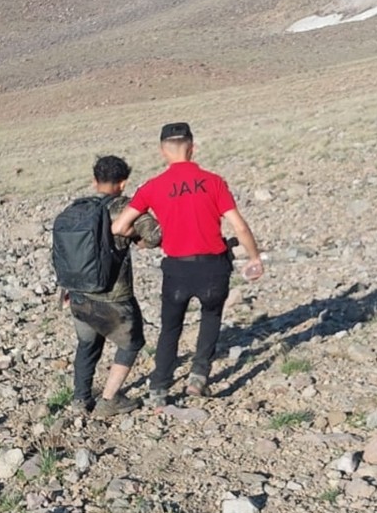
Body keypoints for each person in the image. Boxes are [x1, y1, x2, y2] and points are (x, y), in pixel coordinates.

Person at [111, 122, 263, 405]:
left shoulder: (152, 187)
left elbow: (119, 226)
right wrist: (254, 257)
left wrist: (145, 239)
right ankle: (198, 378)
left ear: (162, 152)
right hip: (213, 266)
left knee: (170, 328)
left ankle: (158, 389)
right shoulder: (214, 182)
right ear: (192, 148)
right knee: (211, 318)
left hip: (177, 269)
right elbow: (239, 226)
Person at [63, 155, 161, 418]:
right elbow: (155, 236)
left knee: (87, 344)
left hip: (79, 294)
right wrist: (130, 235)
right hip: (114, 297)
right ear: (123, 182)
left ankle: (80, 400)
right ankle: (109, 399)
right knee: (132, 343)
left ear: (95, 182)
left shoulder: (76, 210)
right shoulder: (125, 207)